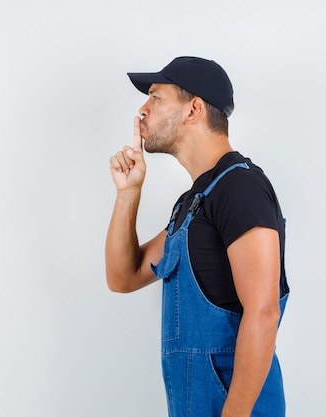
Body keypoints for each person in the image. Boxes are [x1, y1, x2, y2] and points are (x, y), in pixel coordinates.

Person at [105, 56, 290, 417]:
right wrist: (128, 194)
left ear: (193, 109)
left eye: (155, 97)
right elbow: (123, 277)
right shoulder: (192, 205)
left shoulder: (240, 188)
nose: (142, 110)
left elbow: (264, 312)